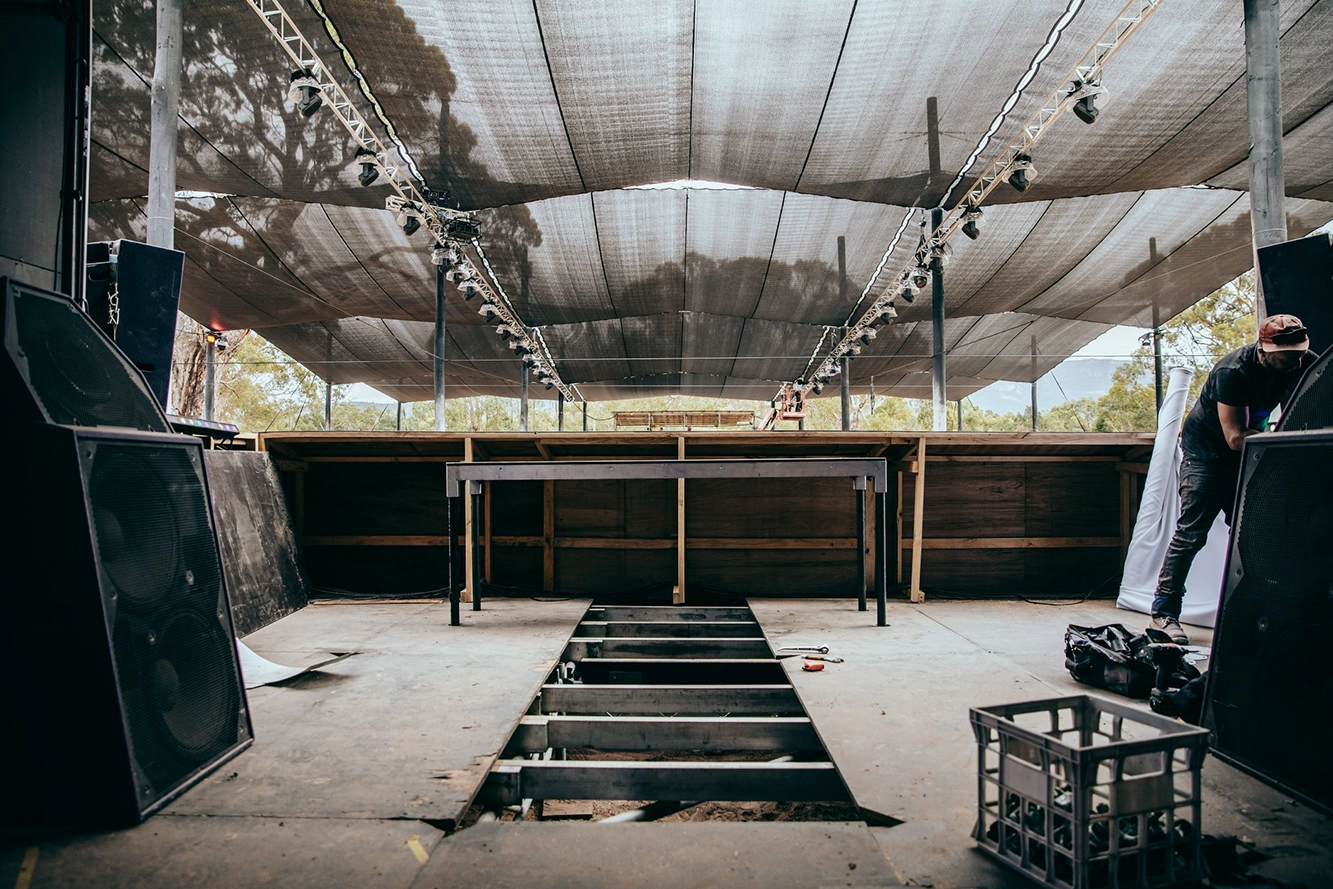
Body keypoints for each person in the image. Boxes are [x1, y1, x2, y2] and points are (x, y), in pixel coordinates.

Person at [1150, 313, 1315, 644]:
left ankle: (1252, 614)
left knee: (1255, 531)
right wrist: (1286, 442)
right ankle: (1163, 614)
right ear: (1265, 350)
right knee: (1192, 534)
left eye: (1300, 355)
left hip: (1251, 451)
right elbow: (1236, 438)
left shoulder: (1302, 360)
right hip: (1207, 454)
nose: (1297, 365)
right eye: (1288, 358)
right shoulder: (1233, 373)